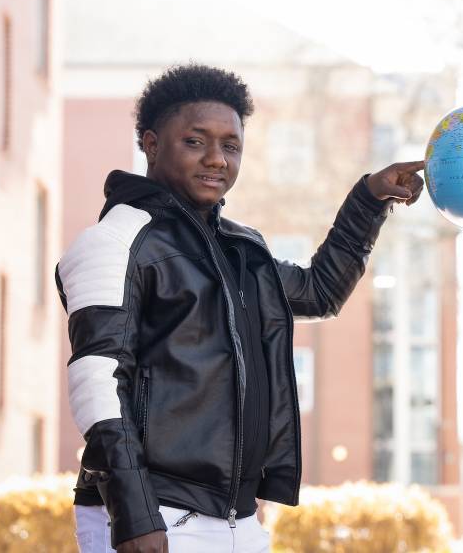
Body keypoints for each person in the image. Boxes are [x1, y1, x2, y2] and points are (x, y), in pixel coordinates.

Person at [57, 63, 425, 553]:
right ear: (149, 144)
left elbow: (320, 292)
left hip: (237, 519)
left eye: (230, 146)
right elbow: (97, 383)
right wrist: (133, 511)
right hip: (153, 514)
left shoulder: (239, 249)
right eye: (195, 141)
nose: (216, 159)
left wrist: (370, 198)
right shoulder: (114, 241)